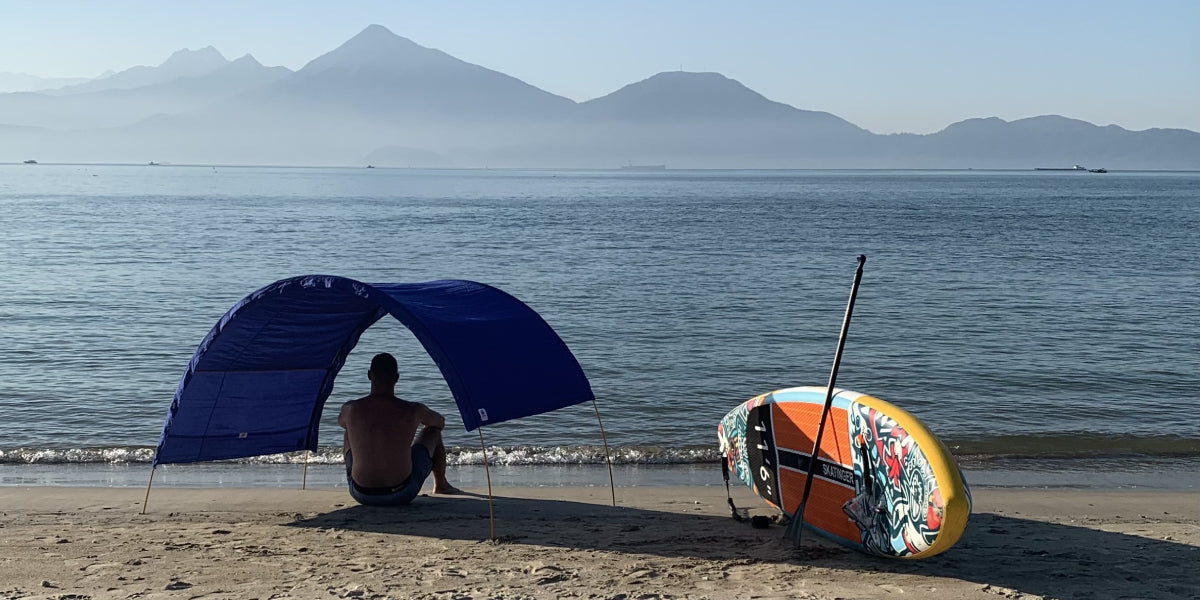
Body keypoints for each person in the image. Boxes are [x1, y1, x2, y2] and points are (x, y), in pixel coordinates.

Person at [338, 352, 462, 505]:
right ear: (397, 378)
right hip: (401, 492)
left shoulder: (351, 409)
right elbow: (440, 423)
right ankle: (441, 485)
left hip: (361, 493)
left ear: (369, 375)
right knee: (433, 431)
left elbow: (341, 422)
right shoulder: (412, 410)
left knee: (349, 432)